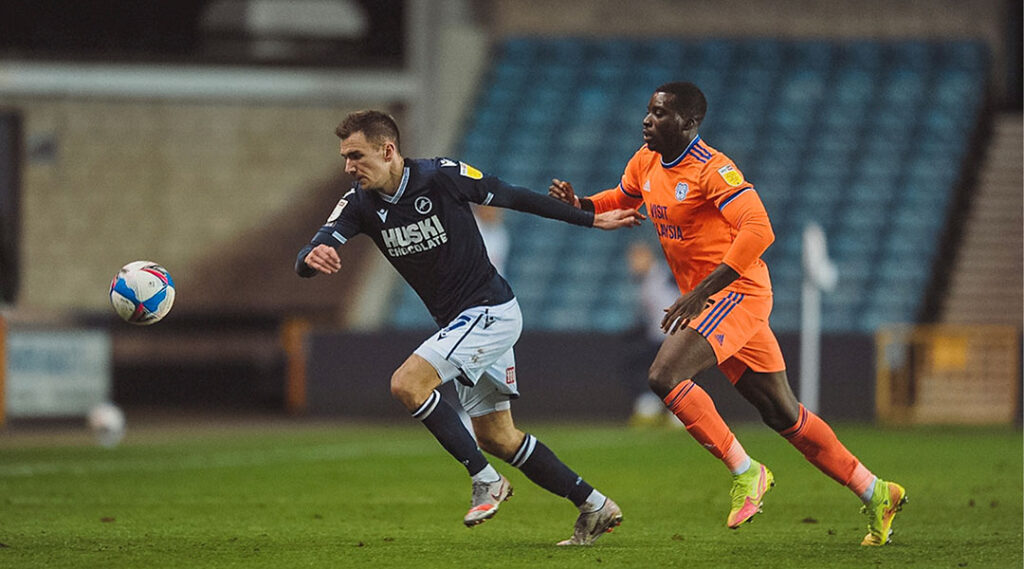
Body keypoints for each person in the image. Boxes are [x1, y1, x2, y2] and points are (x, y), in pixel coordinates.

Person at [548, 82, 906, 546]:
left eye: (660, 113)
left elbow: (759, 229)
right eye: (649, 111)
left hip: (737, 292)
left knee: (664, 375)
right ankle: (876, 492)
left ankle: (746, 471)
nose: (647, 120)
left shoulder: (713, 169)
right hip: (714, 300)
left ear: (689, 123)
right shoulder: (646, 161)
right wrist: (581, 205)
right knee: (782, 414)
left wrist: (701, 292)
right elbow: (623, 197)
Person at [296, 110, 642, 545]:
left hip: (491, 310)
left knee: (407, 383)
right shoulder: (359, 203)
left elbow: (512, 196)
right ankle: (595, 505)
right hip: (463, 323)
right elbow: (314, 248)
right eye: (346, 157)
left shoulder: (440, 176)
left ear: (387, 150)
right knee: (498, 438)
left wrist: (590, 218)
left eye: (356, 156)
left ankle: (486, 480)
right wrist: (311, 258)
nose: (349, 166)